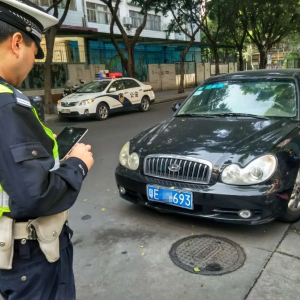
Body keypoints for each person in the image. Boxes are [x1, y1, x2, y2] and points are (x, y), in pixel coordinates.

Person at [0, 0, 94, 299]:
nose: (34, 62)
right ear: (17, 43)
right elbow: (35, 196)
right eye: (34, 51)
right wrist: (77, 164)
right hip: (29, 255)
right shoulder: (7, 104)